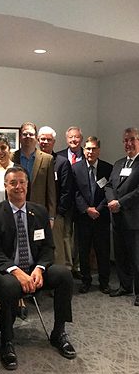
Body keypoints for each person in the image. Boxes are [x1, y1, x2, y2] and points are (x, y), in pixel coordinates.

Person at [0, 166, 76, 370]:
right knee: (8, 286)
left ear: (27, 185)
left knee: (64, 275)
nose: (18, 186)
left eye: (22, 182)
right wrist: (17, 272)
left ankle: (59, 332)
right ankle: (7, 340)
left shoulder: (39, 211)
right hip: (6, 271)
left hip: (34, 269)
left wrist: (39, 269)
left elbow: (48, 248)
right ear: (5, 186)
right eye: (13, 183)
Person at [72, 137, 112, 294]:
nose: (90, 151)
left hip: (101, 217)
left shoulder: (108, 168)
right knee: (83, 251)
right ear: (84, 150)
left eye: (94, 148)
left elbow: (109, 191)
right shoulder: (75, 168)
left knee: (103, 251)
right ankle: (86, 281)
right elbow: (75, 192)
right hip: (83, 217)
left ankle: (104, 282)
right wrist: (87, 209)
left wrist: (98, 209)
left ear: (99, 150)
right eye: (88, 148)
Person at [105, 127, 139, 306]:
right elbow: (109, 185)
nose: (128, 143)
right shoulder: (118, 163)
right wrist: (111, 201)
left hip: (134, 220)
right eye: (126, 140)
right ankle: (125, 286)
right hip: (117, 218)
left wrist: (120, 203)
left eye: (132, 139)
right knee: (121, 255)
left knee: (136, 257)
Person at [37, 126, 74, 269]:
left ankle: (60, 276)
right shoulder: (33, 161)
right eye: (43, 139)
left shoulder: (61, 162)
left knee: (57, 248)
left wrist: (59, 212)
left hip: (56, 214)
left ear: (54, 142)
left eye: (49, 139)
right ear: (38, 140)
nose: (45, 142)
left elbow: (67, 190)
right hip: (37, 212)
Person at [12, 122, 57, 222]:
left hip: (39, 211)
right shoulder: (11, 157)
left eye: (31, 134)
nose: (28, 136)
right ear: (20, 137)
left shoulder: (47, 159)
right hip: (15, 210)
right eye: (25, 134)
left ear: (36, 138)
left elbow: (51, 191)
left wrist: (51, 217)